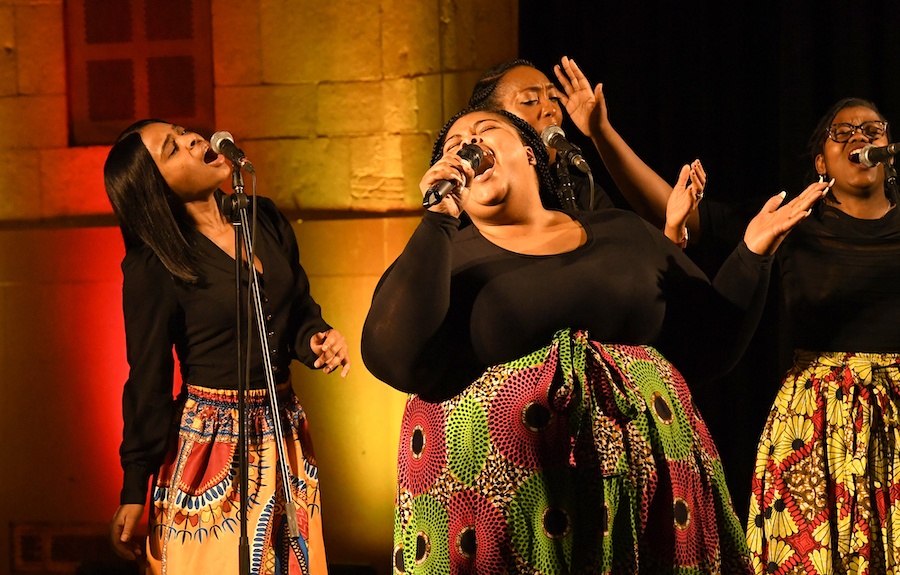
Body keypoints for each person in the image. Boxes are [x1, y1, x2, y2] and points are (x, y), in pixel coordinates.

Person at [360, 108, 825, 573]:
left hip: (648, 508)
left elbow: (710, 343)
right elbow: (394, 356)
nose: (467, 147)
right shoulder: (445, 261)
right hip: (508, 518)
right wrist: (438, 221)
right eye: (452, 145)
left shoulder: (620, 230)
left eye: (484, 132)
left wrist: (752, 253)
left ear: (529, 152)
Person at [103, 120, 351, 574]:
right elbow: (148, 379)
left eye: (184, 131)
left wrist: (315, 337)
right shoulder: (153, 265)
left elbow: (295, 310)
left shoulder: (264, 217)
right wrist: (134, 486)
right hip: (211, 445)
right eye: (172, 148)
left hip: (283, 430)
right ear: (155, 187)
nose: (193, 139)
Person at [746, 98, 900, 574]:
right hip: (813, 428)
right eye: (844, 131)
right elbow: (688, 218)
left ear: (888, 149)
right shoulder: (792, 226)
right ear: (820, 162)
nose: (860, 136)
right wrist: (603, 134)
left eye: (872, 129)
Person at [468, 57, 706, 247]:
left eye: (553, 97)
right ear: (492, 123)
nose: (550, 108)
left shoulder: (581, 192)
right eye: (530, 101)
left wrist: (673, 230)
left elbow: (633, 268)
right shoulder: (474, 201)